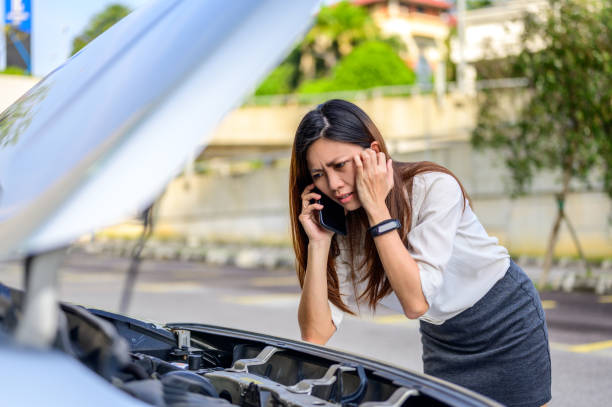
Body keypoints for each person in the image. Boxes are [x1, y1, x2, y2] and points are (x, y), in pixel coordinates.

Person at [288, 99, 551, 407]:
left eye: (340, 165)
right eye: (318, 174)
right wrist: (319, 244)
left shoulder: (434, 187)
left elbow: (415, 302)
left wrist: (377, 209)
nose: (333, 184)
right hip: (443, 336)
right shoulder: (343, 225)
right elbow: (314, 334)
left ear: (374, 153)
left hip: (505, 320)